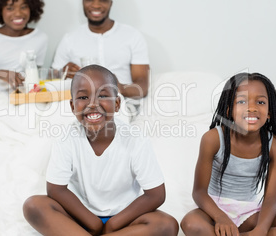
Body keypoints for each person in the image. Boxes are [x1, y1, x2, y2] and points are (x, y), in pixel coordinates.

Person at [23, 65, 178, 236]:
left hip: (124, 221)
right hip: (80, 217)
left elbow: (155, 195)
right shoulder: (67, 138)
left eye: (103, 95)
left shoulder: (135, 139)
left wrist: (112, 225)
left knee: (167, 225)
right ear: (73, 106)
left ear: (117, 103)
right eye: (83, 97)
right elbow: (56, 190)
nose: (93, 104)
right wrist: (94, 223)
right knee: (33, 206)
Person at [180, 72, 276, 236]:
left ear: (269, 112)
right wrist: (221, 218)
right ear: (229, 110)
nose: (252, 107)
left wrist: (261, 231)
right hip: (214, 211)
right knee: (191, 223)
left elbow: (270, 199)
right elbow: (199, 192)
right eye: (242, 101)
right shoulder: (213, 139)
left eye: (261, 102)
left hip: (249, 212)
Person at [51, 0, 149, 99]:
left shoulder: (132, 36)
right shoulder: (69, 39)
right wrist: (62, 73)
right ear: (83, 2)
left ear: (110, 4)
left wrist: (120, 88)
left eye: (103, 0)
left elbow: (142, 87)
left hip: (119, 101)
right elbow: (51, 79)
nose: (96, 5)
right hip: (81, 103)